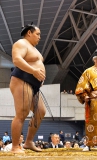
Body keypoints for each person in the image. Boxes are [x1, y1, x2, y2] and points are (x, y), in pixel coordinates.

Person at [9, 23, 47, 153]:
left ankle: (28, 142)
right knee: (22, 113)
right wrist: (34, 71)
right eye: (37, 34)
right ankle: (14, 147)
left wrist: (40, 76)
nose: (39, 37)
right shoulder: (21, 43)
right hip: (22, 79)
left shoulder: (33, 48)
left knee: (40, 111)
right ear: (29, 33)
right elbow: (17, 60)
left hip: (34, 84)